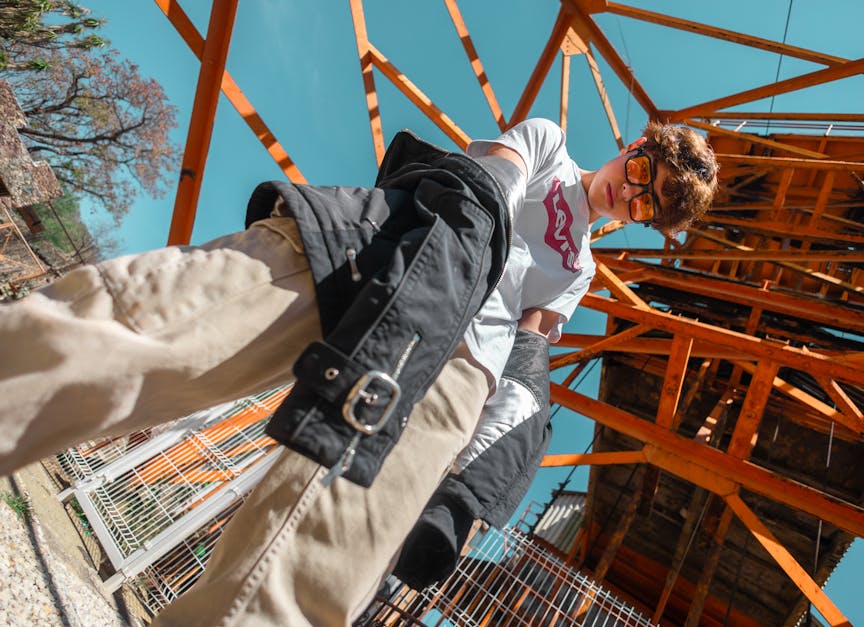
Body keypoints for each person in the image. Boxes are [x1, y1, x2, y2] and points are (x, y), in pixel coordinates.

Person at [0, 117, 717, 626]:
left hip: (462, 365)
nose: (632, 193)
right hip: (405, 262)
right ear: (634, 147)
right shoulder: (550, 144)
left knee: (319, 566)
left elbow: (528, 349)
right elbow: (489, 186)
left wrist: (472, 456)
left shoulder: (581, 269)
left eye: (648, 204)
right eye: (643, 172)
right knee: (160, 334)